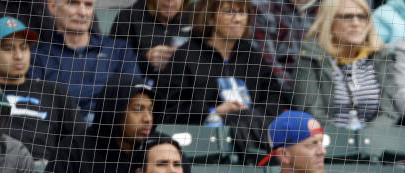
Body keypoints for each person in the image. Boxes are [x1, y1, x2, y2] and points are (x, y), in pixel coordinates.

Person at [152, 0, 287, 128]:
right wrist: (214, 112)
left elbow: (275, 99)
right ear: (210, 17)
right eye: (229, 12)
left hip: (251, 136)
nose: (238, 19)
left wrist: (253, 114)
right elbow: (167, 111)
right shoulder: (185, 56)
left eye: (242, 12)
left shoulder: (251, 55)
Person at [0, 16, 89, 168]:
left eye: (24, 47)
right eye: (8, 49)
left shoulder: (54, 92)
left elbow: (82, 143)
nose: (18, 56)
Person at [293, 0, 396, 130]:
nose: (356, 23)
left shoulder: (381, 56)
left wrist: (368, 140)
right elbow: (312, 112)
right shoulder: (310, 58)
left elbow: (390, 111)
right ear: (329, 22)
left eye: (362, 16)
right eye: (347, 17)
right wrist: (347, 141)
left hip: (376, 144)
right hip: (328, 143)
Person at [30, 0, 144, 114]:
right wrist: (107, 89)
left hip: (106, 128)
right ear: (52, 6)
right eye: (73, 3)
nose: (82, 12)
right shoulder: (37, 54)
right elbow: (38, 100)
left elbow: (133, 92)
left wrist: (61, 91)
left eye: (88, 5)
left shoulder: (119, 50)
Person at [110, 0, 194, 76]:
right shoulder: (128, 17)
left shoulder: (195, 16)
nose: (170, 0)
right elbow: (113, 64)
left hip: (185, 84)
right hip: (142, 85)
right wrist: (145, 60)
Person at [249, 0, 318, 90]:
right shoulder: (262, 7)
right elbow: (267, 63)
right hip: (284, 90)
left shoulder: (324, 7)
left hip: (320, 85)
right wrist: (296, 89)